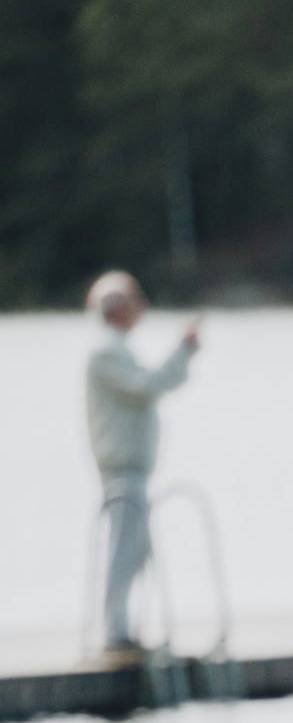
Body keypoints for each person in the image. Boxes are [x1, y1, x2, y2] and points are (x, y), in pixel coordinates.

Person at [84, 271, 201, 659]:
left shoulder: (115, 348)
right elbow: (146, 386)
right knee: (125, 549)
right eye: (134, 299)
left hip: (131, 468)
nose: (142, 306)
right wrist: (182, 352)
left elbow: (147, 385)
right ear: (115, 308)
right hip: (121, 469)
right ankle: (115, 632)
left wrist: (182, 354)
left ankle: (126, 629)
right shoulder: (106, 351)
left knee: (135, 549)